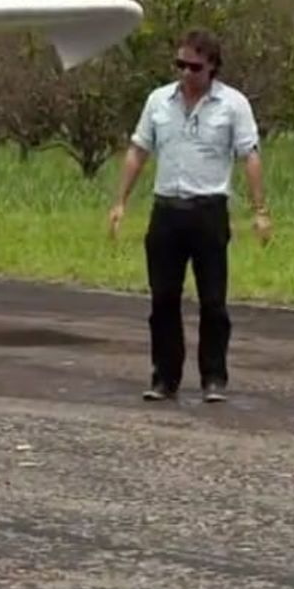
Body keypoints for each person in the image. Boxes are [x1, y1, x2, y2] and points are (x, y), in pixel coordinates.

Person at [108, 28, 271, 403]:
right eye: (180, 64)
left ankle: (214, 377)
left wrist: (260, 209)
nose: (185, 73)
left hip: (208, 210)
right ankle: (165, 377)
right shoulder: (158, 101)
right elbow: (138, 150)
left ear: (212, 66)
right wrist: (121, 201)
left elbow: (250, 155)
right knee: (163, 299)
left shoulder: (233, 105)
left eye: (194, 66)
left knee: (213, 300)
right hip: (166, 209)